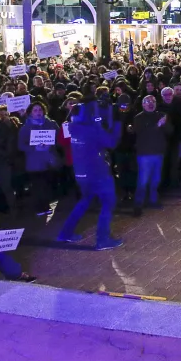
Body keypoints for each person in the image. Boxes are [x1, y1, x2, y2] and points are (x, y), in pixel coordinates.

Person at [56, 102, 123, 250]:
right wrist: (117, 122)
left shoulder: (73, 128)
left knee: (84, 200)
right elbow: (111, 142)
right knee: (108, 203)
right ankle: (102, 239)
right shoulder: (92, 129)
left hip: (81, 173)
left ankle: (65, 233)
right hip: (98, 172)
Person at [129, 95, 171, 215]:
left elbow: (170, 131)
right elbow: (142, 133)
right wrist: (157, 125)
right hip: (144, 154)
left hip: (158, 153)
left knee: (156, 179)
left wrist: (165, 124)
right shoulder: (139, 118)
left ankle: (153, 200)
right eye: (147, 101)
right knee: (143, 180)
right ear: (143, 104)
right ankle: (138, 203)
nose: (151, 103)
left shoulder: (160, 115)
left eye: (153, 101)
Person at [18, 102, 62, 215]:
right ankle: (39, 208)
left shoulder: (51, 124)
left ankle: (46, 205)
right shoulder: (25, 128)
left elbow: (59, 139)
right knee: (37, 185)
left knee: (47, 184)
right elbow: (21, 145)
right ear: (30, 113)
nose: (38, 112)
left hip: (49, 160)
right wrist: (34, 148)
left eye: (40, 110)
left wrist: (52, 145)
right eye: (35, 110)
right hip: (34, 162)